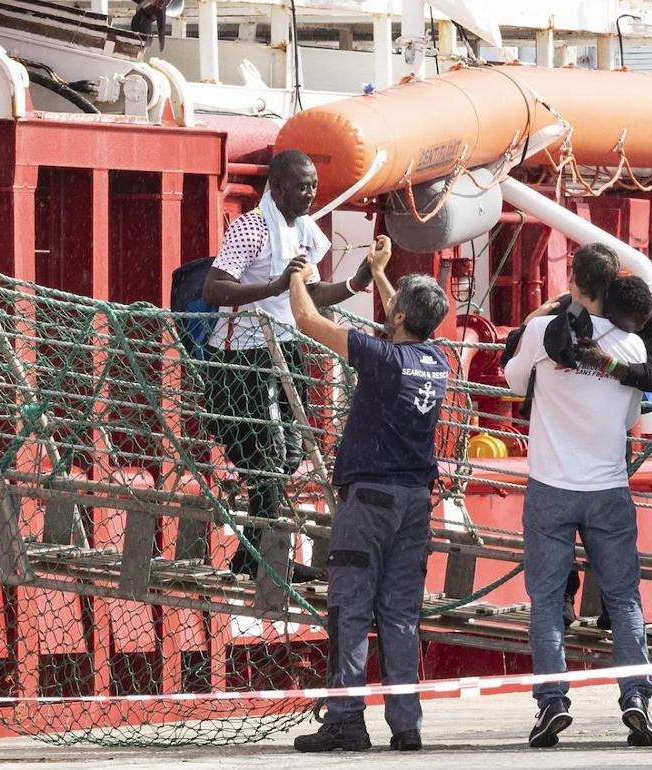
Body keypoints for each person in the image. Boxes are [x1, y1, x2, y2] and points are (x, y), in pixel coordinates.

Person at [289, 235, 450, 753]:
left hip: (371, 502)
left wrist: (297, 276)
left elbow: (309, 324)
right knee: (400, 615)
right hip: (414, 506)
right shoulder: (435, 362)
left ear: (400, 315)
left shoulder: (382, 359)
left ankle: (346, 719)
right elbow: (404, 325)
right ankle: (406, 726)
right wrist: (380, 273)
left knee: (350, 609)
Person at [504, 243, 652, 749]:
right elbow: (639, 418)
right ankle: (635, 697)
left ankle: (552, 702)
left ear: (572, 278)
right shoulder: (633, 348)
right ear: (613, 281)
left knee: (546, 601)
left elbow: (511, 380)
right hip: (608, 487)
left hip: (550, 484)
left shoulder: (541, 334)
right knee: (623, 597)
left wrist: (538, 318)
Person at [200, 149, 375, 583]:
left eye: (313, 184)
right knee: (268, 458)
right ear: (277, 187)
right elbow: (212, 289)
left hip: (284, 350)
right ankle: (264, 559)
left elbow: (311, 296)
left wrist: (359, 281)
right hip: (244, 360)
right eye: (302, 184)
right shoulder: (252, 228)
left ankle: (251, 554)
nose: (310, 192)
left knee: (287, 455)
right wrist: (276, 285)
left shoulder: (306, 233)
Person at [516, 275, 652, 627]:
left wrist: (611, 365)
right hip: (566, 439)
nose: (629, 335)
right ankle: (566, 597)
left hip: (605, 440)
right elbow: (519, 344)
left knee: (603, 536)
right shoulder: (565, 309)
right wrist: (534, 320)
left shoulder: (646, 319)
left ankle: (609, 605)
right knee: (575, 528)